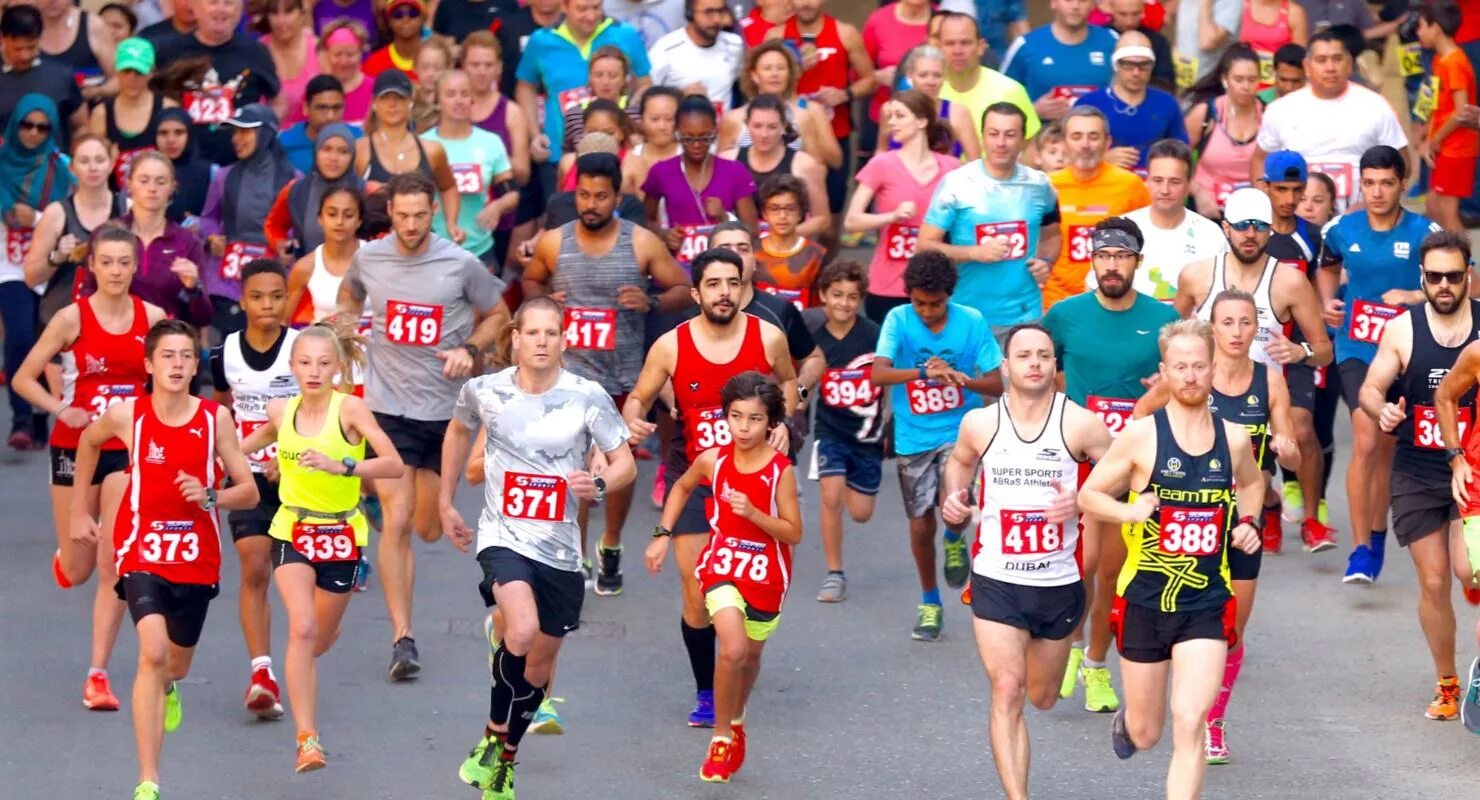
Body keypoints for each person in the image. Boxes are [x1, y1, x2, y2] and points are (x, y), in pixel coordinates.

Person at [444, 294, 636, 794]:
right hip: (503, 536)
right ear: (516, 339)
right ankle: (492, 732)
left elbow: (625, 466)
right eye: (533, 332)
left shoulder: (587, 396)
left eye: (552, 333)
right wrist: (446, 502)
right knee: (521, 629)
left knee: (540, 665)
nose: (543, 341)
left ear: (564, 341)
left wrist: (596, 486)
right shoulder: (484, 391)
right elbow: (457, 431)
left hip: (561, 549)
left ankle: (505, 757)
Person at [70, 318, 260, 800]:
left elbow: (250, 491)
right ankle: (148, 780)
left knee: (173, 664)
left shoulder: (212, 419)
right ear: (149, 365)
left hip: (196, 561)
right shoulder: (127, 415)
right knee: (150, 652)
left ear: (196, 365)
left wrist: (211, 495)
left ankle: (170, 687)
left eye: (186, 356)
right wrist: (79, 511)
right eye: (168, 356)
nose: (177, 365)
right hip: (141, 551)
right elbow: (88, 443)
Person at [334, 172, 510, 680]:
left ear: (433, 212)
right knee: (400, 519)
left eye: (420, 215)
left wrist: (469, 350)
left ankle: (368, 488)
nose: (410, 225)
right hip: (388, 404)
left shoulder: (459, 263)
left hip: (445, 412)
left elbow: (499, 314)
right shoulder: (370, 257)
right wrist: (345, 326)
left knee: (429, 526)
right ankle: (402, 639)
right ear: (390, 212)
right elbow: (350, 294)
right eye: (402, 215)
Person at [1080, 317, 1264, 800]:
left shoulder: (1234, 438)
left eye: (1198, 366)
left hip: (1206, 599)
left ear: (1212, 367)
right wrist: (1130, 509)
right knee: (1147, 733)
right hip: (1144, 598)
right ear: (1164, 371)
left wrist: (1248, 524)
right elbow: (1090, 495)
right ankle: (1130, 721)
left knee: (1191, 722)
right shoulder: (1142, 436)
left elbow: (1252, 482)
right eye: (1179, 367)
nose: (1189, 377)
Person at [621, 247, 798, 727]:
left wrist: (784, 421)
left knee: (748, 590)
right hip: (697, 477)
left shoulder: (768, 337)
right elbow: (637, 398)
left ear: (744, 289)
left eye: (732, 283)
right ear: (696, 292)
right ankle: (706, 690)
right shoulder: (672, 345)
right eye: (714, 284)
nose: (724, 293)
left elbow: (789, 383)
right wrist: (634, 422)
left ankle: (737, 659)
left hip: (757, 481)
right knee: (698, 587)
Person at [940, 322, 1111, 800]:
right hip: (996, 577)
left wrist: (1081, 497)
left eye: (1043, 355)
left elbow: (1122, 474)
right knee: (1009, 690)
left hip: (1059, 582)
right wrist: (955, 496)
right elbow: (960, 459)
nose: (1034, 363)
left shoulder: (1080, 423)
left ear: (1055, 367)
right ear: (1006, 366)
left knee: (1042, 695)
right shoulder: (982, 423)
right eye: (1024, 356)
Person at [1133, 289, 1298, 763]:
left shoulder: (1269, 382)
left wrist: (1288, 451)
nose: (1237, 332)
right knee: (1171, 617)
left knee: (1232, 629)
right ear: (1213, 328)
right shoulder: (1187, 378)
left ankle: (1213, 719)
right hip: (1184, 518)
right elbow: (1139, 421)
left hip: (1241, 522)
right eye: (1227, 323)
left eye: (1246, 323)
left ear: (1257, 328)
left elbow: (1290, 449)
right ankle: (1166, 702)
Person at [521, 151, 692, 595]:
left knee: (619, 468)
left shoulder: (641, 242)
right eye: (583, 195)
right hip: (570, 378)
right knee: (573, 469)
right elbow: (530, 280)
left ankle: (611, 543)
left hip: (623, 379)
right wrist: (546, 300)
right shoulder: (555, 241)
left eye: (600, 196)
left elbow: (681, 287)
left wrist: (650, 300)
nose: (591, 204)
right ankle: (574, 557)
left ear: (617, 197)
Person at [237, 321, 404, 771]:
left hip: (343, 535)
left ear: (338, 368)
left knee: (319, 639)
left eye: (324, 363)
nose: (314, 371)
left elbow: (393, 465)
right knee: (303, 628)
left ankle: (316, 643)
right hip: (293, 529)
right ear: (292, 366)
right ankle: (307, 740)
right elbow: (245, 447)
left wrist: (342, 465)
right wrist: (222, 458)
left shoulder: (349, 411)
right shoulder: (281, 411)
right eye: (305, 362)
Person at [12, 223, 165, 713]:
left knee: (114, 563)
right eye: (108, 262)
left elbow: (167, 381)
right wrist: (61, 408)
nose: (117, 271)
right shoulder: (70, 319)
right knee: (78, 569)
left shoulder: (153, 318)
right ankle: (65, 555)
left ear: (135, 266)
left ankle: (96, 674)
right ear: (92, 266)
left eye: (125, 262)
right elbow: (22, 378)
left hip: (126, 452)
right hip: (74, 447)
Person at [1042, 218, 1179, 714]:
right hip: (1077, 458)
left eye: (1122, 256)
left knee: (1112, 570)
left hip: (1136, 460)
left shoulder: (1161, 318)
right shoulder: (1066, 315)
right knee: (1079, 565)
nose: (1112, 265)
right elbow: (1033, 368)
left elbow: (1182, 376)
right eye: (1104, 256)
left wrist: (1159, 391)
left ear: (1138, 261)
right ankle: (1073, 650)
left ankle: (1096, 666)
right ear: (1092, 261)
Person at [648, 370, 802, 783]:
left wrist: (754, 514)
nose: (744, 427)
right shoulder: (712, 460)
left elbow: (794, 532)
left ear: (770, 423)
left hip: (767, 575)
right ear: (726, 417)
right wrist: (662, 534)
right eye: (736, 417)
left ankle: (735, 719)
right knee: (731, 650)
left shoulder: (780, 471)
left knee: (749, 658)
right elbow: (680, 487)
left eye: (754, 419)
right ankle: (719, 738)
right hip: (721, 567)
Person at [1361, 230, 1480, 723]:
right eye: (1436, 277)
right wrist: (1382, 410)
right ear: (1422, 279)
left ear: (1468, 275)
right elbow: (1371, 386)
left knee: (1465, 569)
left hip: (1470, 468)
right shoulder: (1404, 330)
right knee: (1433, 583)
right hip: (1416, 468)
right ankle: (1447, 682)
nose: (1445, 285)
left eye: (1455, 276)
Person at [1317, 145, 1443, 583]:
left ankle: (1376, 535)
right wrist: (1327, 304)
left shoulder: (1426, 231)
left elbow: (1462, 282)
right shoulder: (1341, 228)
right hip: (1356, 349)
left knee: (1387, 446)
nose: (1376, 191)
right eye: (1369, 182)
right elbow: (1327, 266)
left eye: (1386, 183)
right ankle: (1360, 549)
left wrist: (1414, 297)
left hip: (1406, 353)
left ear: (1401, 185)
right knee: (1367, 439)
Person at [873, 250, 1005, 641]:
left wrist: (962, 380)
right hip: (913, 436)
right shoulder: (897, 319)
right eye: (919, 303)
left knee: (956, 507)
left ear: (949, 296)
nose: (927, 311)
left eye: (935, 304)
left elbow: (996, 384)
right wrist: (922, 373)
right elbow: (879, 373)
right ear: (909, 296)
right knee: (919, 523)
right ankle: (930, 601)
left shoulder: (972, 322)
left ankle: (953, 539)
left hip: (959, 432)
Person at [207, 260, 301, 723]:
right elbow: (224, 409)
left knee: (307, 584)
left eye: (277, 296)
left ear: (288, 298)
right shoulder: (223, 354)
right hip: (249, 479)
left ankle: (303, 652)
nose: (268, 305)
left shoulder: (303, 349)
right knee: (255, 567)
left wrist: (290, 459)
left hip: (303, 478)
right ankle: (261, 672)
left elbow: (320, 410)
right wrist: (230, 459)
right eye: (258, 297)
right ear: (242, 301)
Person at [918, 102, 1058, 334]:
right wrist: (975, 253)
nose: (1000, 143)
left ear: (1023, 140)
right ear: (982, 136)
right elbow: (924, 246)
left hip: (1026, 315)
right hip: (967, 316)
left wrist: (1047, 262)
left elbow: (1052, 234)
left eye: (1009, 135)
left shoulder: (1040, 185)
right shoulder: (956, 183)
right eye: (993, 134)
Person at [1260, 150, 1341, 550]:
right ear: (1265, 187)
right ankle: (1269, 504)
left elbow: (1320, 290)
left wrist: (1308, 340)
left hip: (1294, 350)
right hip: (1248, 352)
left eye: (1297, 190)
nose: (1290, 198)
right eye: (1282, 189)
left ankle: (1312, 521)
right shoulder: (1248, 229)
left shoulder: (1312, 236)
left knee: (1302, 429)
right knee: (1250, 442)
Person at [1251, 30, 1408, 209]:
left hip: (1361, 219)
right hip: (1297, 219)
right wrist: (1268, 205)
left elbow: (1402, 164)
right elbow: (1259, 160)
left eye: (1337, 59)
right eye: (1321, 60)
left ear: (1349, 64)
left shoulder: (1376, 106)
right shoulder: (1280, 109)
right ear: (1307, 66)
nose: (1330, 67)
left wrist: (1375, 205)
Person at [802, 260, 883, 602]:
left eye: (852, 297)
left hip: (867, 436)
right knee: (830, 497)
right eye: (836, 295)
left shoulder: (874, 334)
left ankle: (855, 482)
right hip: (830, 429)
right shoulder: (813, 337)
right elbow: (802, 376)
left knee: (861, 513)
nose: (843, 303)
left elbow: (888, 377)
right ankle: (835, 573)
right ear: (823, 295)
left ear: (861, 299)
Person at [516, 0, 652, 202]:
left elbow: (645, 83)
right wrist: (534, 134)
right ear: (564, 6)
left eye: (596, 7)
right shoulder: (541, 40)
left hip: (622, 160)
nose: (591, 15)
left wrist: (632, 116)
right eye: (582, 9)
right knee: (562, 219)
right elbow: (526, 86)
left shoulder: (625, 34)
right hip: (560, 154)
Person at [764, 0, 877, 243]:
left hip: (835, 134)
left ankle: (823, 276)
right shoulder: (775, 34)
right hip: (786, 137)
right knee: (785, 210)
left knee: (829, 223)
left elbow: (869, 79)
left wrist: (844, 94)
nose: (805, 3)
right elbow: (761, 76)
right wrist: (793, 68)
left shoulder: (844, 32)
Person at [0, 94, 76, 450]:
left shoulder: (61, 167)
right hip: (9, 265)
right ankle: (22, 419)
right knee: (18, 337)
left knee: (49, 340)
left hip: (52, 265)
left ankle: (44, 415)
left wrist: (38, 219)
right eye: (26, 125)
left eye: (42, 127)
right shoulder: (0, 163)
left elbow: (73, 209)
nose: (33, 133)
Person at [846, 90, 962, 322]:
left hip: (937, 284)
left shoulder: (952, 168)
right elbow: (851, 221)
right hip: (889, 284)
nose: (891, 123)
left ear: (922, 120)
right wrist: (891, 216)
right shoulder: (881, 164)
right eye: (890, 116)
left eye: (899, 116)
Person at [199, 104, 299, 341]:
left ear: (265, 134)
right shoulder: (223, 177)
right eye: (235, 132)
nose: (237, 139)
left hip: (277, 281)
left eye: (245, 132)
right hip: (231, 283)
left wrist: (290, 245)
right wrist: (212, 237)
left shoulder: (294, 182)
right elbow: (208, 217)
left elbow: (302, 229)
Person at [1044, 105, 1151, 310]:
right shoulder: (1047, 186)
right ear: (1064, 142)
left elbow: (1148, 241)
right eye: (1076, 137)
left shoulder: (1130, 185)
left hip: (1112, 298)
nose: (1085, 145)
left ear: (1107, 142)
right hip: (1055, 299)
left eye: (1093, 137)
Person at [153, 0, 280, 167]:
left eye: (228, 3)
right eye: (213, 2)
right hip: (182, 167)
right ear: (195, 7)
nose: (221, 9)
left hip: (239, 166)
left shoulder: (257, 52)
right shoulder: (168, 52)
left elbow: (277, 102)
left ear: (240, 9)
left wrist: (261, 134)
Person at [25, 135, 129, 330]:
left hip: (115, 323)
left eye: (99, 160)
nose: (93, 168)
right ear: (71, 168)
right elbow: (31, 278)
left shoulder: (128, 210)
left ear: (111, 163)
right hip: (63, 323)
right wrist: (56, 257)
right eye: (84, 161)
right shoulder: (56, 213)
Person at [643, 95, 759, 268]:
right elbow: (644, 220)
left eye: (705, 137)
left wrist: (724, 217)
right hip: (681, 269)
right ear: (677, 133)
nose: (696, 145)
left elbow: (752, 231)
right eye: (688, 138)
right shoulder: (661, 171)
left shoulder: (735, 171)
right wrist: (664, 234)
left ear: (715, 131)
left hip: (726, 267)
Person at [1111, 139, 1228, 302]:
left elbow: (1223, 297)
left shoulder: (1210, 235)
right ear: (1147, 181)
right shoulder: (1121, 231)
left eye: (1175, 182)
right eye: (1158, 180)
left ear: (1189, 184)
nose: (1165, 190)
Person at [422, 69, 519, 266]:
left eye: (464, 94)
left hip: (480, 249)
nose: (458, 100)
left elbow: (512, 193)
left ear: (472, 99)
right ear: (437, 101)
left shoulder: (490, 142)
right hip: (432, 249)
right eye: (450, 94)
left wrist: (498, 207)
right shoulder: (423, 144)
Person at [355, 70, 463, 244]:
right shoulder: (360, 150)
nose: (392, 104)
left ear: (410, 102)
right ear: (374, 103)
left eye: (399, 98)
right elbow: (347, 197)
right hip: (375, 246)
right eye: (385, 98)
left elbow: (449, 187)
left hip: (421, 244)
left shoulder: (432, 150)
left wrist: (451, 224)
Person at [720, 94, 831, 240]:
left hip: (788, 250)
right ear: (747, 125)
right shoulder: (727, 160)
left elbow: (822, 219)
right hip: (741, 247)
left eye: (772, 127)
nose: (764, 134)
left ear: (784, 126)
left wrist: (783, 235)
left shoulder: (804, 164)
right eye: (757, 126)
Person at [718, 41, 842, 170]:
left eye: (781, 68)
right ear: (754, 75)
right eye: (767, 68)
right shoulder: (734, 119)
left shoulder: (803, 118)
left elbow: (817, 167)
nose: (774, 74)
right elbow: (720, 169)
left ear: (789, 74)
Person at [1073, 32, 1189, 170]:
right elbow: (1068, 154)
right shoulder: (1089, 104)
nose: (1136, 73)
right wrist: (1101, 159)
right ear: (1116, 65)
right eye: (1128, 65)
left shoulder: (1167, 103)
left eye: (1143, 65)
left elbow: (1182, 154)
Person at [1415, 2, 1477, 234]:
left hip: (1456, 148)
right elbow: (1437, 103)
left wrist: (1436, 139)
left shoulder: (1455, 63)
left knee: (1448, 216)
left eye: (1421, 26)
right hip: (1444, 146)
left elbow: (1462, 112)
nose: (1418, 32)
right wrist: (1425, 133)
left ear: (1436, 28)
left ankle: (1466, 269)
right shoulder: (1440, 60)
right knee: (1433, 207)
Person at [1001, 0, 1118, 122]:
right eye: (1068, 0)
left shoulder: (1112, 41)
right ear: (1053, 3)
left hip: (1098, 138)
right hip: (1041, 138)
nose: (1075, 6)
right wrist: (1033, 111)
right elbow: (1000, 101)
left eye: (1083, 1)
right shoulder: (1026, 46)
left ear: (1093, 5)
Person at [935, 13, 1041, 144]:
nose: (957, 51)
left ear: (980, 47)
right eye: (950, 43)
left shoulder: (1010, 90)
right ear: (938, 48)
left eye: (965, 43)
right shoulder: (926, 90)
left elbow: (1031, 146)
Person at [1184, 45, 1263, 218]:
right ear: (1225, 79)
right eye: (1239, 79)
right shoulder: (1204, 113)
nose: (1246, 86)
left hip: (1254, 213)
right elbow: (1175, 161)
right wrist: (1197, 192)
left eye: (1252, 79)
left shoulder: (1268, 115)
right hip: (1208, 211)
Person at [266, 123, 365, 259]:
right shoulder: (296, 191)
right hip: (308, 275)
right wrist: (280, 243)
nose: (333, 158)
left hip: (354, 275)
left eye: (343, 151)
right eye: (326, 149)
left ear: (352, 156)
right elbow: (274, 226)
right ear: (316, 151)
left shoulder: (364, 192)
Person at [88, 37, 175, 186]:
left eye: (139, 72)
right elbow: (93, 162)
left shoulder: (168, 109)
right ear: (117, 71)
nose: (132, 78)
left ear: (151, 72)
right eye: (126, 71)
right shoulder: (101, 114)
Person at [0, 5, 86, 146]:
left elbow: (81, 126)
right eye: (18, 49)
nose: (25, 56)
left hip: (50, 164)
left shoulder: (61, 75)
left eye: (31, 47)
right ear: (3, 39)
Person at [860, 0, 933, 164]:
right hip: (884, 119)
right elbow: (856, 73)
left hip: (929, 117)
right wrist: (876, 76)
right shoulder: (878, 20)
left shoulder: (940, 20)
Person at [879, 46, 983, 160]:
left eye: (937, 75)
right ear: (909, 75)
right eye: (923, 75)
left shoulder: (958, 112)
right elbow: (881, 151)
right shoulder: (889, 110)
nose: (930, 81)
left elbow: (974, 162)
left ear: (945, 76)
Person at [647, 0, 745, 116]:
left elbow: (740, 81)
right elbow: (646, 95)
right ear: (690, 14)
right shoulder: (665, 49)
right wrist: (679, 95)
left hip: (724, 129)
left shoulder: (734, 45)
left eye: (720, 11)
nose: (717, 19)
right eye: (709, 12)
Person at [286, 184, 365, 326]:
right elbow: (282, 321)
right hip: (325, 346)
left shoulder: (377, 258)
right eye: (332, 214)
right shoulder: (306, 266)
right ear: (320, 218)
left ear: (359, 220)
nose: (339, 222)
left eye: (348, 215)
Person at [753, 175, 826, 310]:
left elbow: (821, 307)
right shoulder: (751, 252)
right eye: (775, 209)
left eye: (790, 209)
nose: (782, 216)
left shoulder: (817, 255)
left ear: (800, 213)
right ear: (764, 213)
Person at [278, 76, 361, 175]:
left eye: (336, 108)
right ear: (306, 108)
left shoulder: (358, 140)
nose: (330, 116)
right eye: (322, 108)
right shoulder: (284, 143)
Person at [259, 0, 319, 128]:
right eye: (274, 13)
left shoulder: (318, 49)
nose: (281, 21)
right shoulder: (257, 52)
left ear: (302, 13)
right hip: (267, 140)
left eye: (288, 12)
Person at [1098, 0, 1177, 92]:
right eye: (1123, 14)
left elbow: (1165, 82)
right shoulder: (1098, 38)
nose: (1129, 22)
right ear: (1111, 9)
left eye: (1135, 14)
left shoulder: (1157, 41)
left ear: (1143, 10)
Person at [153, 108, 212, 225]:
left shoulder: (211, 173)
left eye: (179, 132)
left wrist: (202, 226)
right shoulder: (144, 172)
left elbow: (220, 219)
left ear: (190, 135)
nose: (171, 140)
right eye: (163, 133)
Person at [1172, 0, 1244, 92]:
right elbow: (1180, 39)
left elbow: (1206, 43)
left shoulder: (1232, 2)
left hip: (1209, 86)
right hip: (1182, 80)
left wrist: (1205, 3)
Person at [316, 21, 373, 126]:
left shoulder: (374, 90)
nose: (344, 61)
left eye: (350, 55)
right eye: (337, 54)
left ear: (360, 53)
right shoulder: (316, 90)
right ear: (327, 54)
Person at [1239, 0, 1308, 82]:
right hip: (1244, 84)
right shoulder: (1240, 6)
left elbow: (1299, 61)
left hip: (1280, 88)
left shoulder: (1295, 13)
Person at [364, 0, 427, 79]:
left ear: (422, 19)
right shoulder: (373, 64)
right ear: (389, 21)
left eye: (412, 13)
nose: (406, 19)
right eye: (398, 15)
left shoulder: (436, 58)